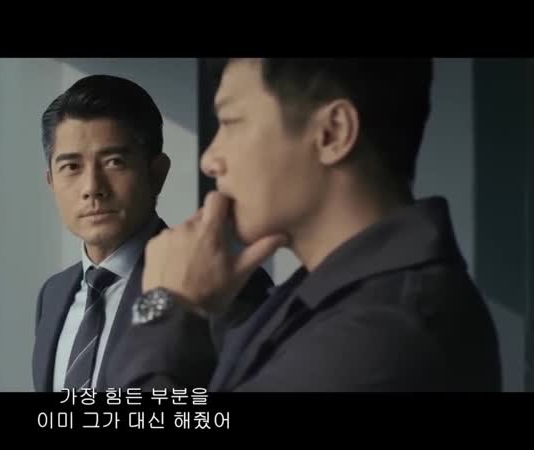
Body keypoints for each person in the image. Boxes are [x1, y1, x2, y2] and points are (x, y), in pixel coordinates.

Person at [107, 58, 502, 391]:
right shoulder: (331, 295)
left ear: (332, 133)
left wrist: (163, 308)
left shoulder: (382, 334)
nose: (209, 160)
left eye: (231, 122)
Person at [31, 74, 272, 392]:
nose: (92, 188)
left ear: (157, 173)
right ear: (51, 182)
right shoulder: (53, 294)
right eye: (71, 167)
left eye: (114, 162)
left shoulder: (222, 281)